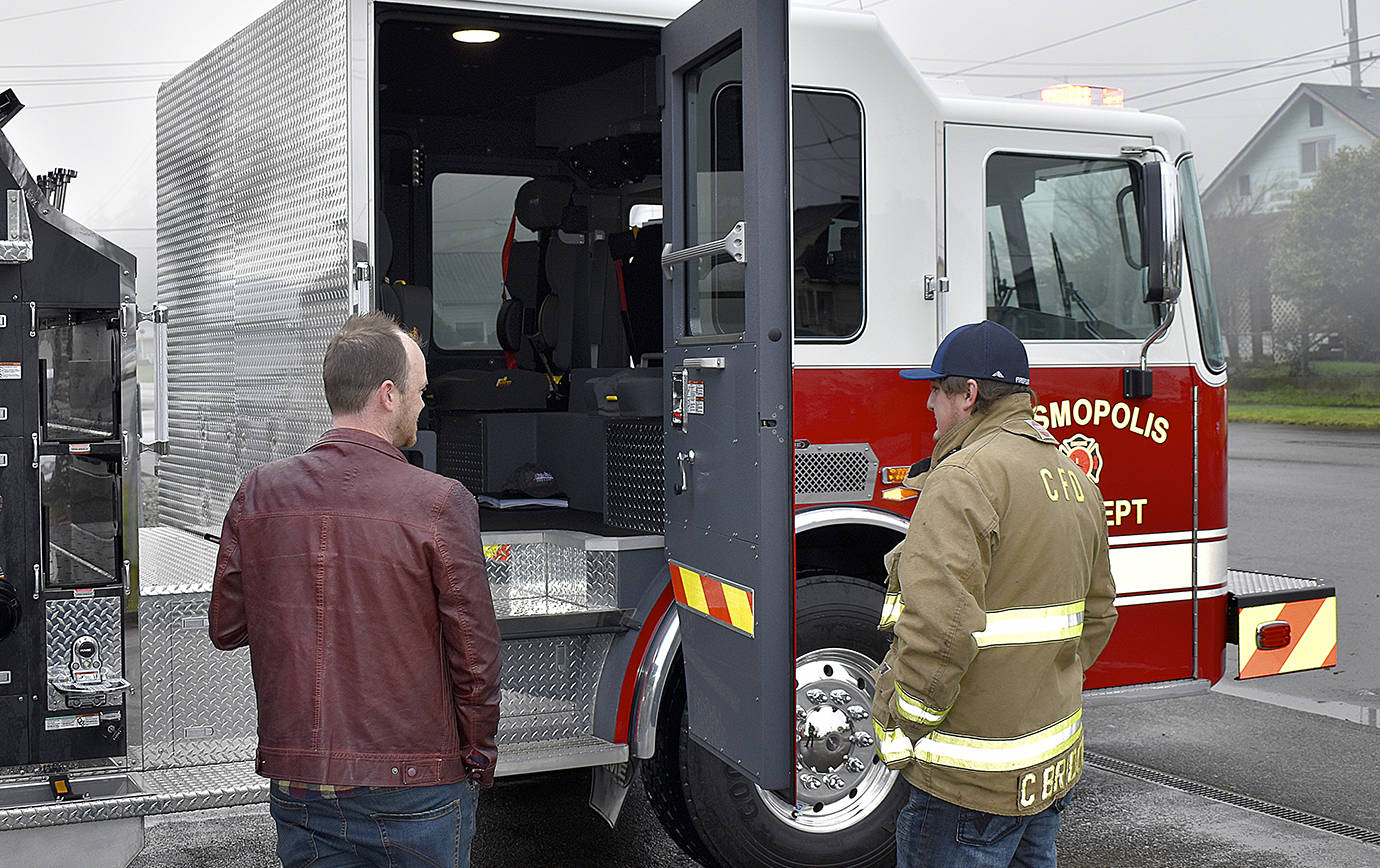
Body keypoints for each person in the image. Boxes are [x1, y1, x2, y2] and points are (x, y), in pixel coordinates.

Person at [209, 311, 501, 868]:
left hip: (301, 781)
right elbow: (476, 657)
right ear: (388, 395)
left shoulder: (258, 493)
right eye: (418, 391)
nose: (422, 403)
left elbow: (226, 628)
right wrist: (477, 757)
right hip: (416, 784)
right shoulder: (439, 502)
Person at [871, 320, 1117, 868]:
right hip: (1047, 770)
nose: (929, 405)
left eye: (936, 390)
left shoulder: (962, 479)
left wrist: (901, 728)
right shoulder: (1075, 479)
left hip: (968, 784)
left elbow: (940, 630)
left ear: (968, 395)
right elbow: (1099, 615)